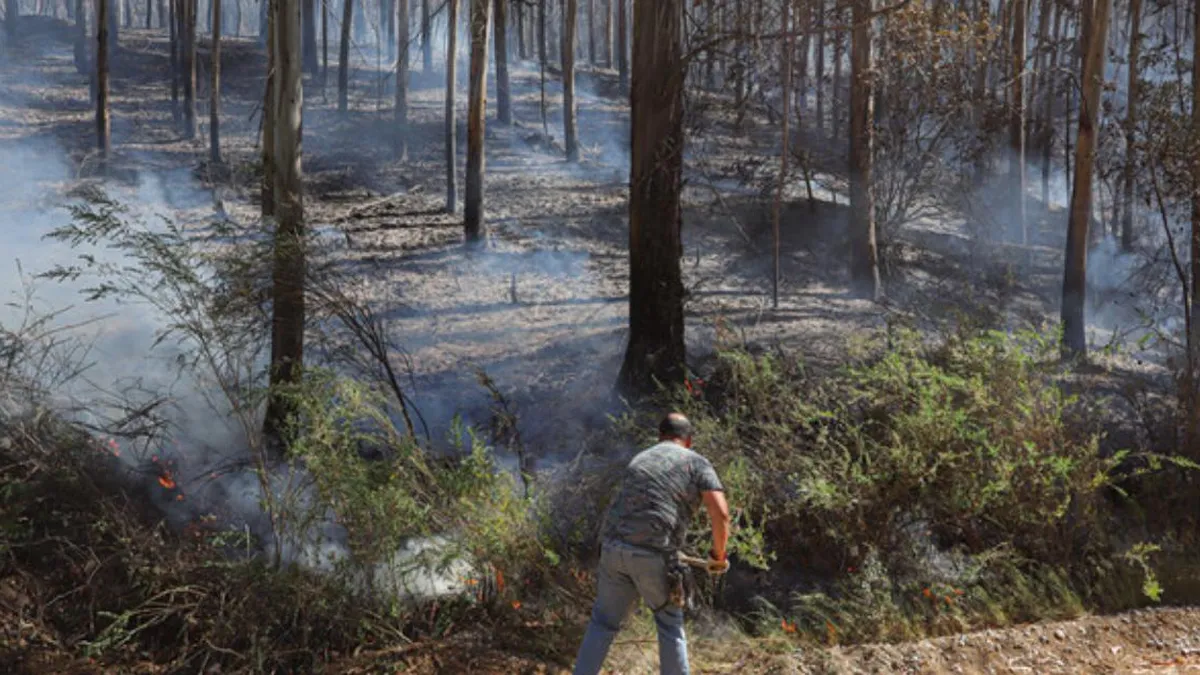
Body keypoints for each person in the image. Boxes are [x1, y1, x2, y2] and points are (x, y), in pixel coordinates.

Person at [572, 412, 731, 675]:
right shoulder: (696, 463)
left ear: (660, 437)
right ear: (689, 440)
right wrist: (718, 554)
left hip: (612, 549)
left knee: (602, 623)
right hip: (653, 554)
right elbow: (721, 513)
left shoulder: (641, 458)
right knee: (669, 624)